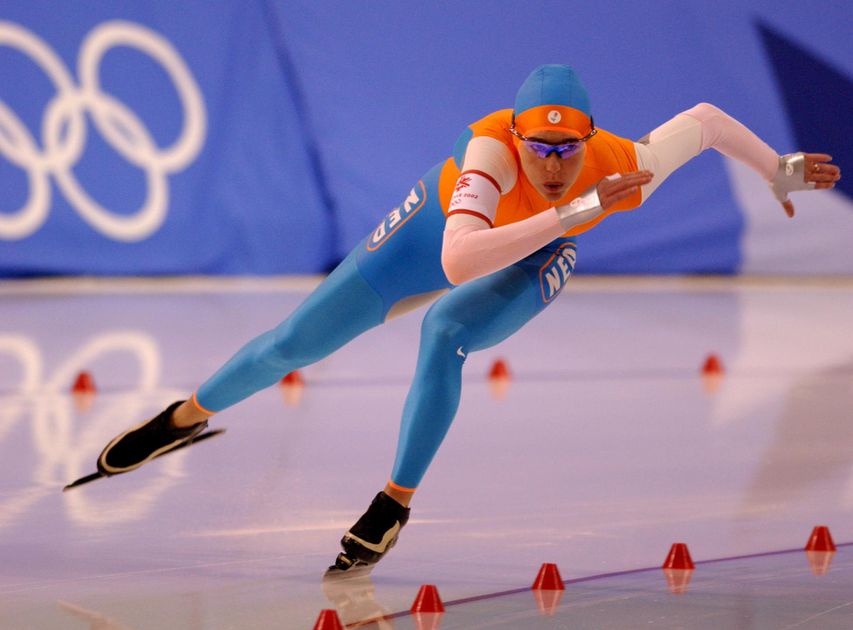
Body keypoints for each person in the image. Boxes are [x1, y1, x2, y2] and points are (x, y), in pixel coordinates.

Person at [95, 65, 841, 573]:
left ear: (590, 140)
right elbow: (457, 260)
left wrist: (774, 167)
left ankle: (393, 503)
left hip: (529, 255)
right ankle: (185, 416)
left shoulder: (620, 164)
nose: (552, 162)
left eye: (567, 150)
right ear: (517, 138)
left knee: (443, 334)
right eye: (539, 147)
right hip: (440, 233)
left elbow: (705, 121)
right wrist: (575, 208)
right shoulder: (492, 156)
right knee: (295, 341)